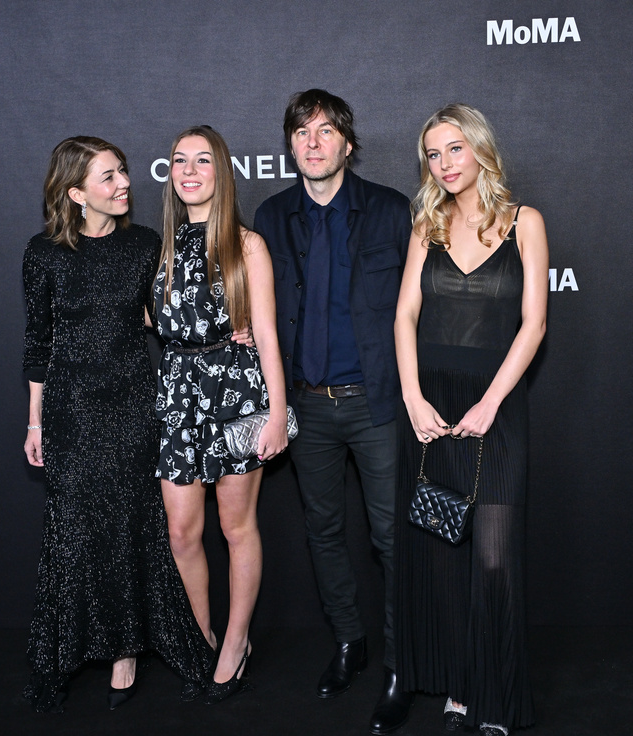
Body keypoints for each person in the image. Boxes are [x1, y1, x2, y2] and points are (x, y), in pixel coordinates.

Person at [21, 136, 214, 712]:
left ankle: (127, 654)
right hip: (71, 413)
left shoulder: (146, 245)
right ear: (77, 193)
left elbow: (166, 319)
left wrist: (234, 329)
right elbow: (38, 344)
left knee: (132, 527)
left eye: (123, 172)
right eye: (108, 178)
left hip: (133, 406)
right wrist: (34, 425)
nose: (124, 183)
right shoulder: (43, 253)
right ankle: (66, 653)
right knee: (76, 533)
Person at [253, 89, 414, 735]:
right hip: (306, 408)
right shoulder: (271, 216)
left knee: (391, 539)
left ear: (348, 143)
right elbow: (257, 307)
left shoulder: (391, 212)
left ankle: (404, 663)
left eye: (325, 132)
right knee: (323, 534)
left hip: (377, 403)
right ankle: (350, 643)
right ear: (290, 145)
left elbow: (419, 307)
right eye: (301, 132)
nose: (313, 143)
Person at [393, 104, 548, 735]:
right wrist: (411, 397)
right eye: (433, 153)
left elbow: (534, 323)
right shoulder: (425, 224)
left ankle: (497, 697)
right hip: (430, 404)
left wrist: (491, 402)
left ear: (480, 148)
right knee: (442, 556)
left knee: (493, 558)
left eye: (454, 148)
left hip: (498, 403)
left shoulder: (524, 222)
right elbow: (404, 315)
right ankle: (459, 688)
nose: (445, 164)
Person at [153, 125, 289, 704]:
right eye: (179, 161)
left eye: (201, 161)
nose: (188, 171)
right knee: (183, 533)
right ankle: (200, 637)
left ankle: (236, 642)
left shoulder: (246, 245)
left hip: (238, 396)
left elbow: (266, 336)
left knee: (236, 529)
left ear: (221, 172)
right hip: (177, 394)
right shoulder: (157, 247)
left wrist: (277, 413)